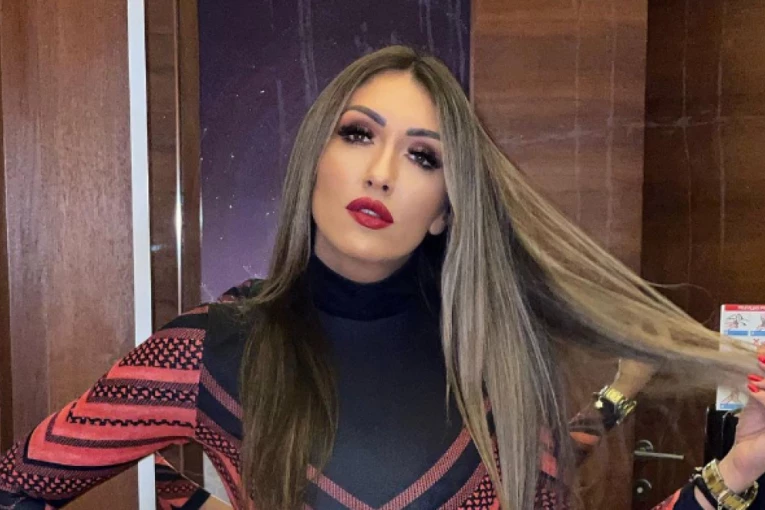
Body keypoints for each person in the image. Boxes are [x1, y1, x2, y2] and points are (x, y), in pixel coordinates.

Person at [0, 46, 763, 510]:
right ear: (315, 160)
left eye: (424, 155)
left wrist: (737, 470)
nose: (381, 171)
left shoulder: (497, 362)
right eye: (358, 134)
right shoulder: (209, 350)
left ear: (444, 210)